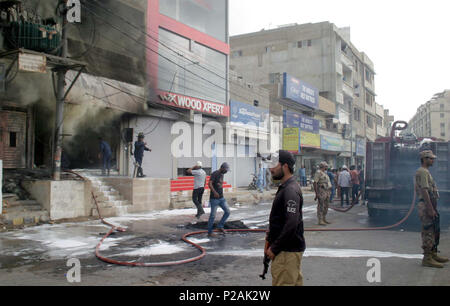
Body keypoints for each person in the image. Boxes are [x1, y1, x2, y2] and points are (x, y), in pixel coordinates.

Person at [264, 150, 305, 286]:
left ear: (285, 167)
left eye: (275, 165)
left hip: (286, 252)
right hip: (288, 250)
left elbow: (291, 223)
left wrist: (274, 248)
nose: (271, 168)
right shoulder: (286, 187)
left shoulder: (290, 190)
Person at [415, 150, 448, 268]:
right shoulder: (422, 172)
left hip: (430, 204)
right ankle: (427, 258)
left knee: (434, 230)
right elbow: (424, 190)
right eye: (430, 158)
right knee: (428, 231)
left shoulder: (425, 171)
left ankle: (433, 254)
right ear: (424, 159)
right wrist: (429, 208)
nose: (432, 160)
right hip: (426, 205)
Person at [207, 162, 231, 237]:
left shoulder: (222, 174)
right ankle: (210, 232)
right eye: (226, 170)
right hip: (214, 199)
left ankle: (220, 226)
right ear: (222, 168)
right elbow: (209, 184)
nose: (226, 171)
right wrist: (214, 192)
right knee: (213, 216)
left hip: (221, 198)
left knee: (227, 212)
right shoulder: (215, 173)